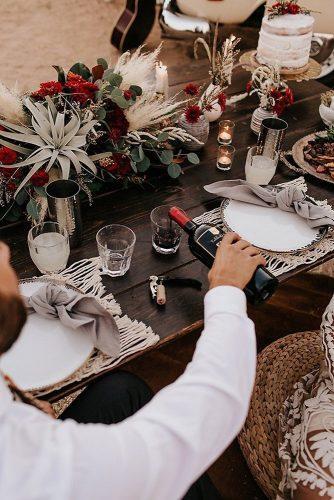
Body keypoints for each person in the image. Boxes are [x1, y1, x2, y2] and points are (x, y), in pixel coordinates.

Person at [0, 234, 265, 500]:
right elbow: (200, 416)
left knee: (121, 390)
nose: (3, 250)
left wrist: (20, 402)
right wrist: (226, 288)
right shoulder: (35, 463)